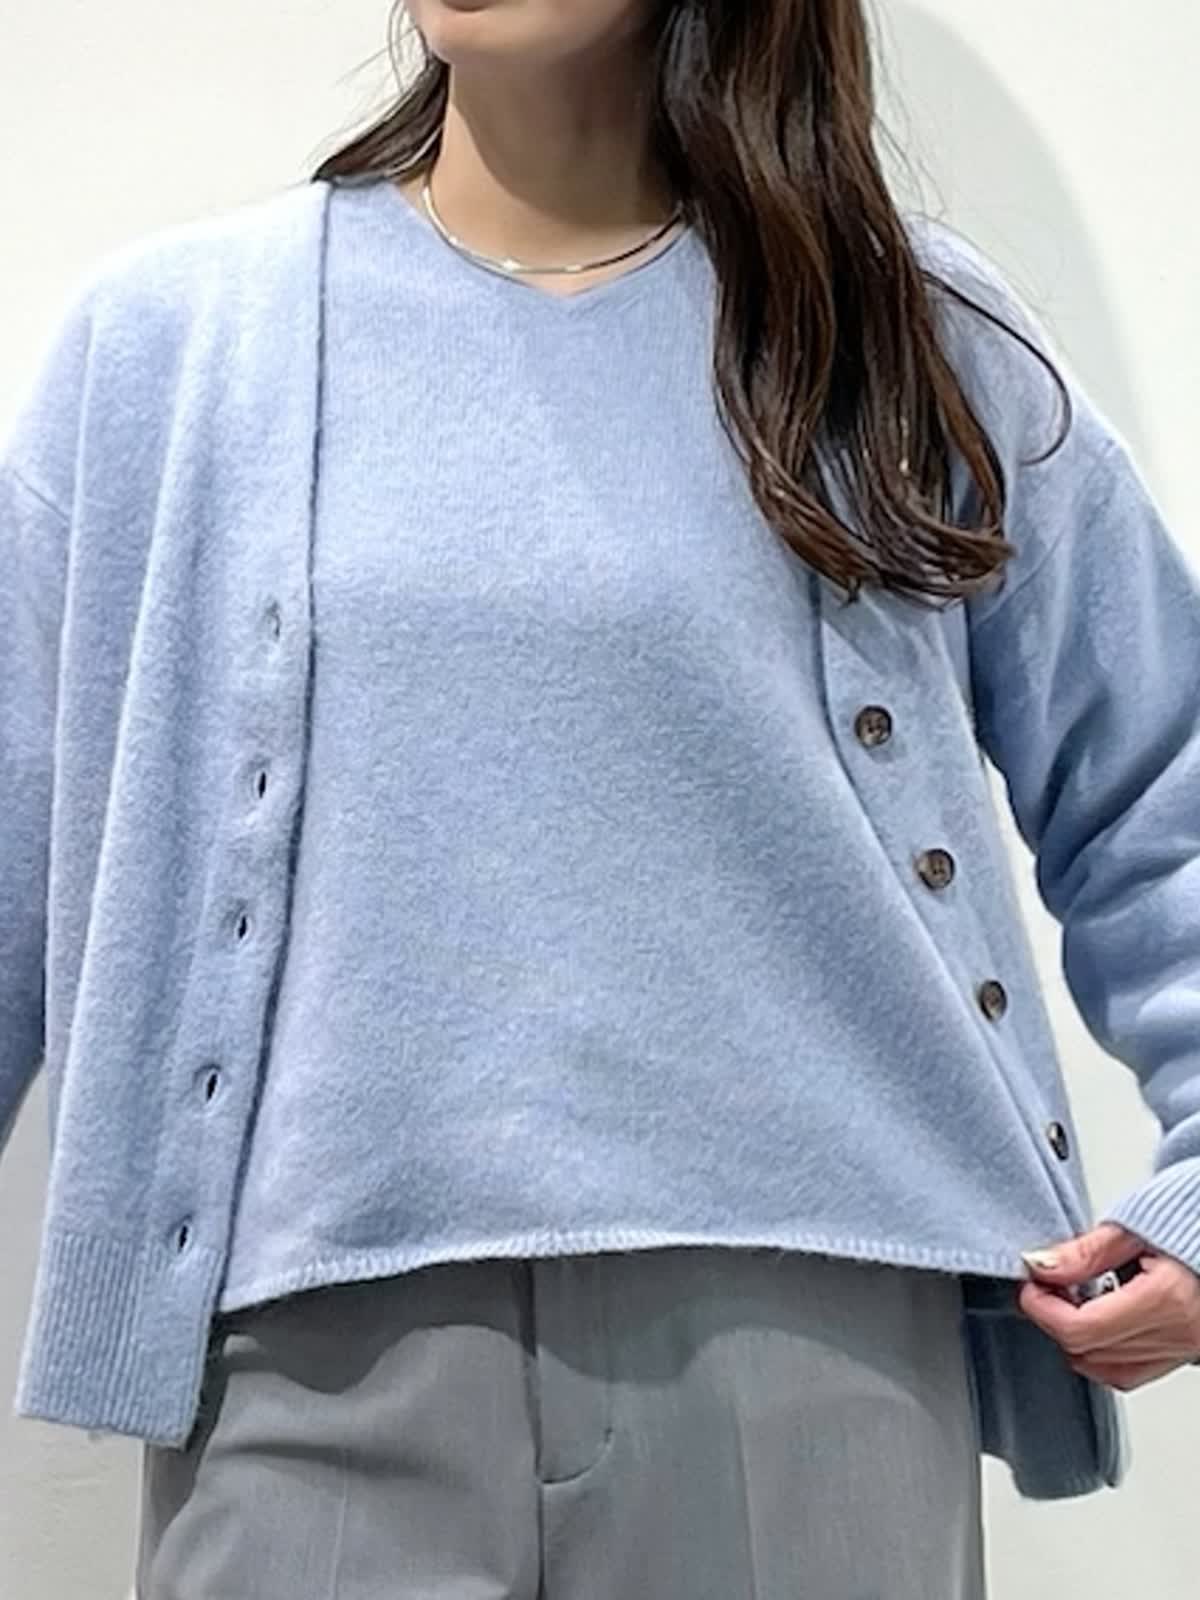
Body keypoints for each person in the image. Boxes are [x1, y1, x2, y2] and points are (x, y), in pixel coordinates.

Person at [3, 1, 1200, 1595]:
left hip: (812, 1353)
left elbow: (1162, 780)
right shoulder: (172, 347)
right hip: (307, 1372)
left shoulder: (901, 335)